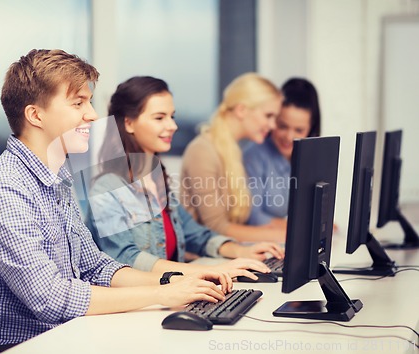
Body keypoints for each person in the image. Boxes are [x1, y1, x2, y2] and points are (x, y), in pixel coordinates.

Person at [0, 50, 235, 354]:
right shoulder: (5, 188)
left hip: (67, 335)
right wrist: (161, 294)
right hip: (22, 345)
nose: (92, 114)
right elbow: (51, 298)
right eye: (78, 103)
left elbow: (96, 267)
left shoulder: (57, 178)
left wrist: (175, 281)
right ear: (35, 115)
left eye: (88, 102)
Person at [86, 76, 284, 279]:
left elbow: (197, 235)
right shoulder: (105, 189)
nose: (172, 126)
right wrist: (208, 272)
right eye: (159, 118)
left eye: (172, 116)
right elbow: (125, 258)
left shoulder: (157, 181)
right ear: (128, 123)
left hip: (172, 295)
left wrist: (242, 251)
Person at [180, 73, 286, 243]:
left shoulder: (234, 151)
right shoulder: (202, 151)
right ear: (241, 110)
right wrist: (289, 237)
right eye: (268, 116)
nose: (273, 125)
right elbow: (217, 228)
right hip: (200, 260)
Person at [242, 77, 321, 226]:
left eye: (299, 130)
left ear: (311, 129)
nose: (289, 137)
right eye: (282, 126)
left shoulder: (307, 158)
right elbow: (252, 217)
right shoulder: (254, 156)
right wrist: (301, 227)